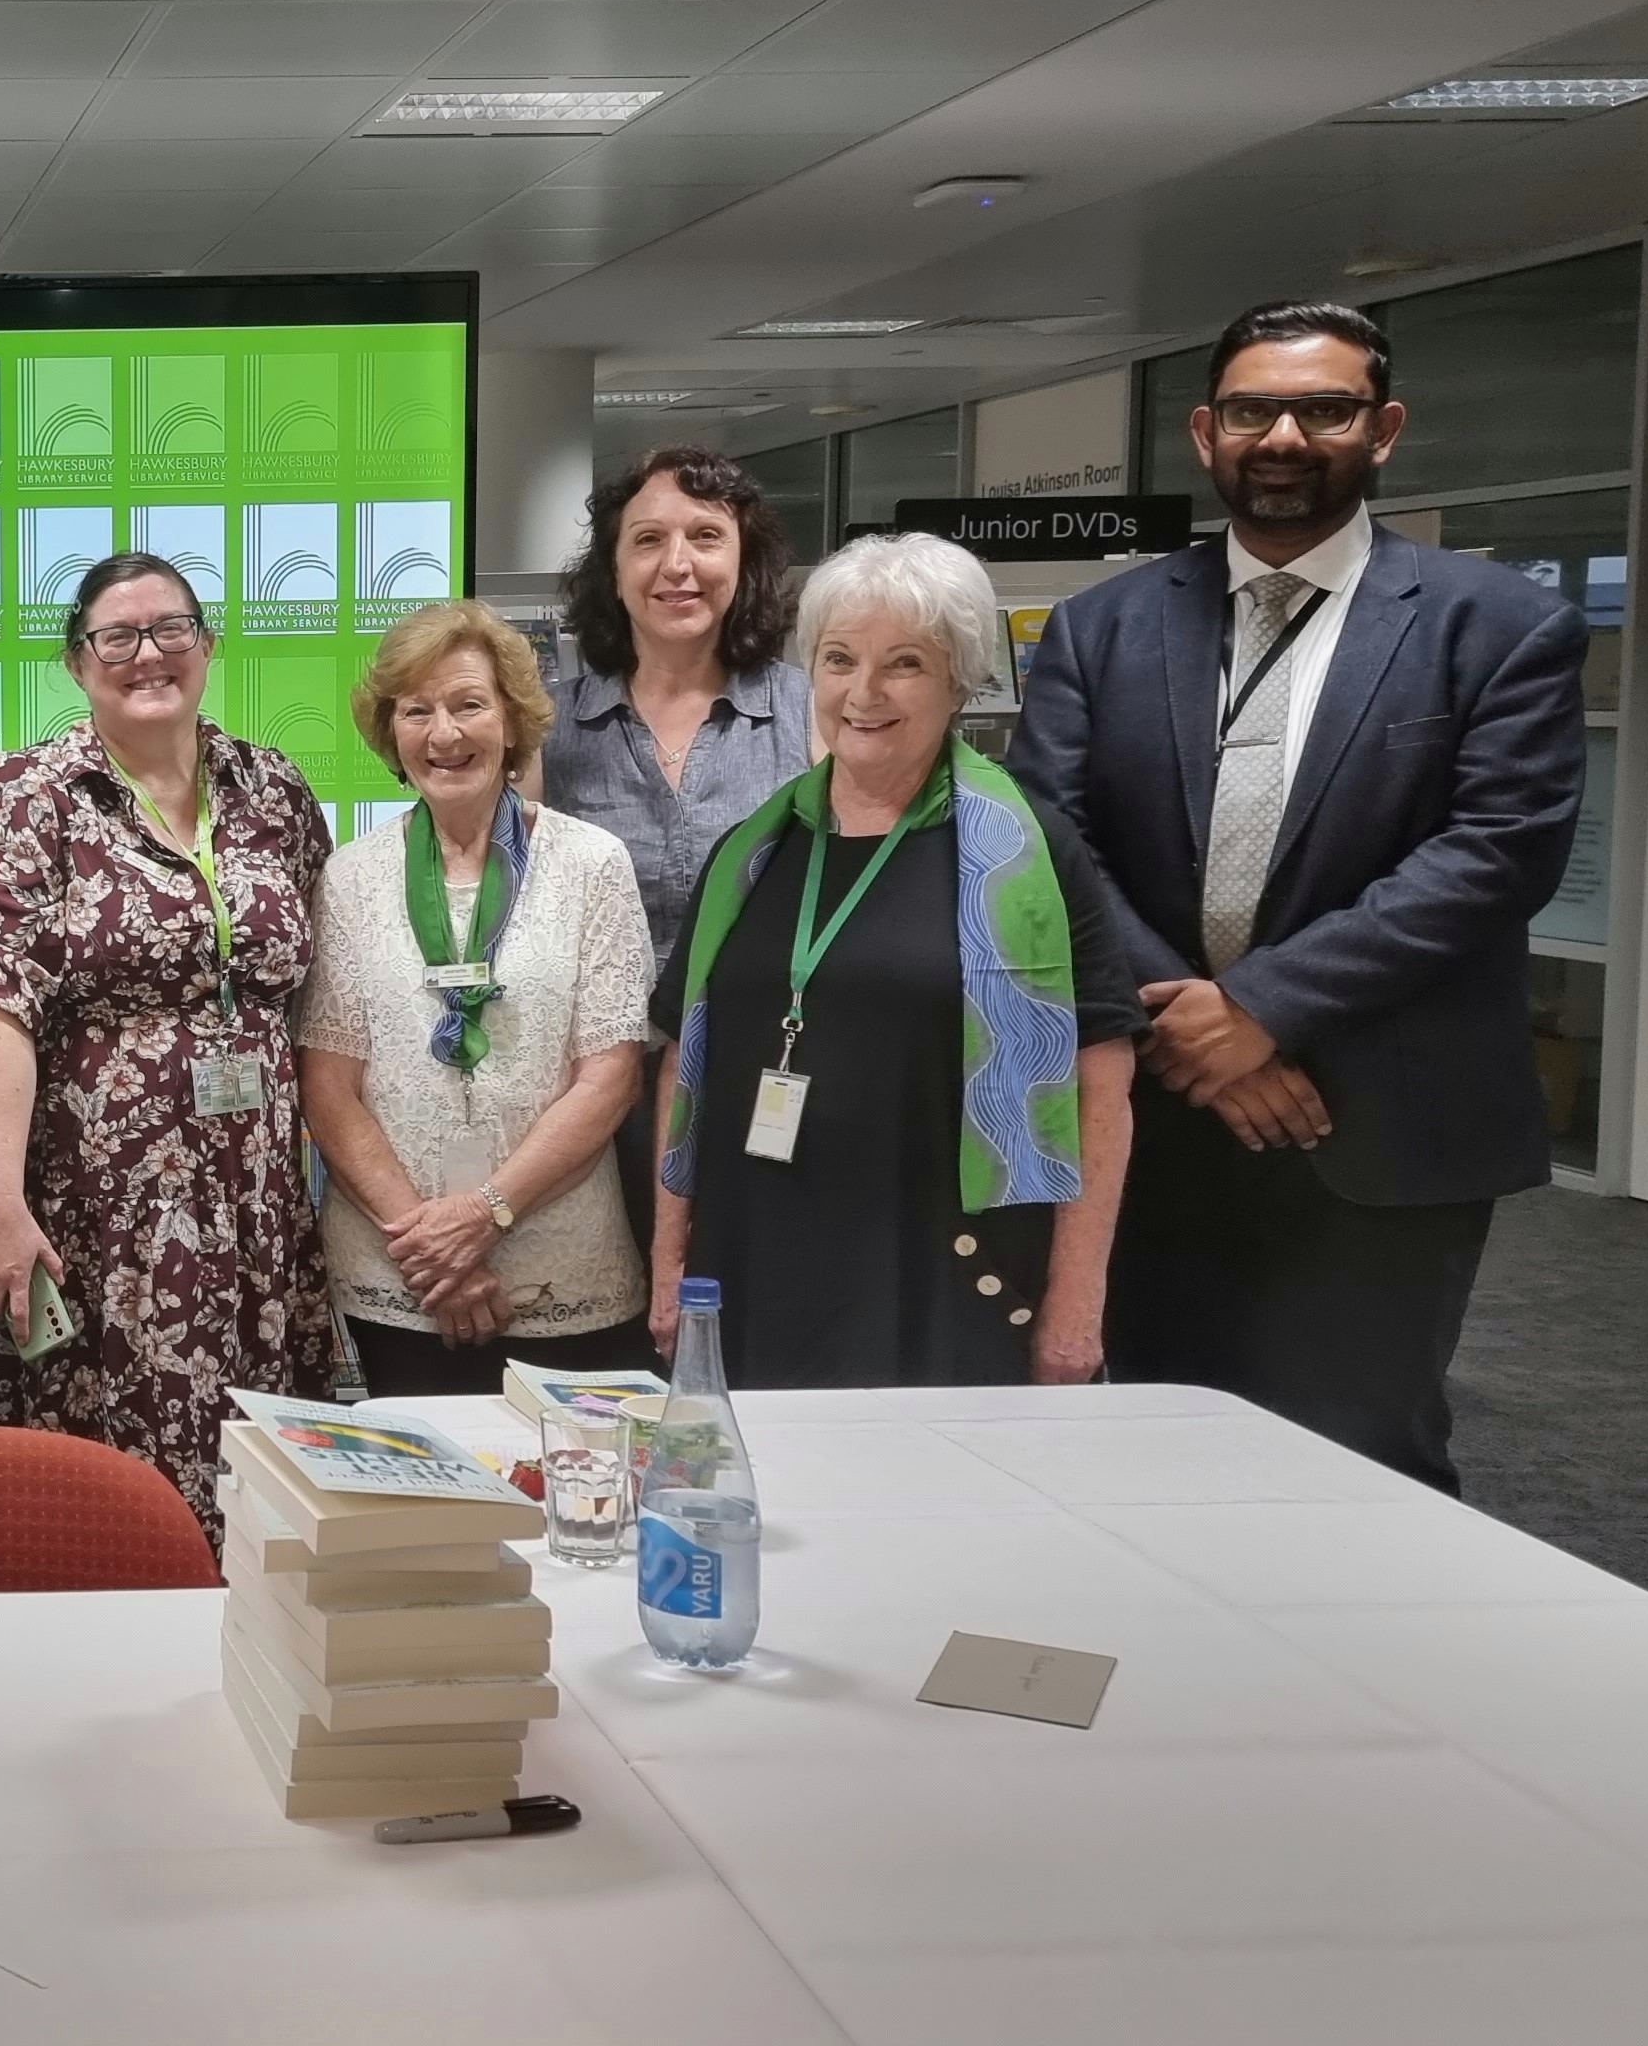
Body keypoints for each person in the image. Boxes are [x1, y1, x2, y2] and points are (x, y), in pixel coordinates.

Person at [1013, 300, 1586, 1490]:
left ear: (1380, 430)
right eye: (1251, 409)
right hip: (1159, 1118)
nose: (1281, 435)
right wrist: (1193, 1029)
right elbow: (1046, 837)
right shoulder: (1099, 628)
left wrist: (1262, 1008)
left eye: (1321, 409)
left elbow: (1497, 851)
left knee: (1361, 1453)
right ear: (1202, 432)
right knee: (1151, 1442)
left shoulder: (1500, 625)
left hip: (1378, 1119)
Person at [651, 531, 1141, 1390]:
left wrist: (1078, 1302)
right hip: (755, 1259)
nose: (863, 692)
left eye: (905, 663)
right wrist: (667, 1260)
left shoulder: (1026, 854)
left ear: (959, 680)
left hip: (941, 1270)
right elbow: (681, 1064)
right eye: (839, 659)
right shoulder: (752, 854)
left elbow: (1100, 1079)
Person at [0, 551, 331, 1528]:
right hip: (107, 1215)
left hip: (258, 1206)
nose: (145, 653)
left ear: (206, 646)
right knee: (116, 1493)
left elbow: (312, 994)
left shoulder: (274, 792)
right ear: (77, 664)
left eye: (169, 629)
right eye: (114, 636)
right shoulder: (27, 797)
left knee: (268, 1483)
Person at [300, 602, 656, 1396]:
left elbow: (610, 1079)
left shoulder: (592, 863)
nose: (444, 734)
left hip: (561, 1269)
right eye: (416, 711)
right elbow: (328, 1088)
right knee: (416, 1512)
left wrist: (482, 1215)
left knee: (568, 1497)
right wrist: (433, 1251)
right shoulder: (351, 878)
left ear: (513, 719)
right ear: (390, 731)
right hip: (401, 1272)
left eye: (468, 704)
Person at [539, 447, 819, 1250]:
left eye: (705, 536)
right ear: (613, 567)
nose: (678, 565)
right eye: (648, 540)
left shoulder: (814, 717)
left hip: (763, 1082)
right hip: (593, 1098)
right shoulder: (545, 732)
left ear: (745, 559)